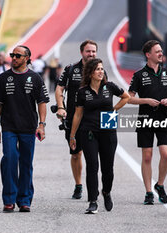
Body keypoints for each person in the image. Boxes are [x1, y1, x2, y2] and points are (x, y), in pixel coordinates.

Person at [0, 45, 50, 213]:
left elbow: (42, 103)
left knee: (26, 163)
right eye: (12, 55)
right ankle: (9, 199)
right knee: (9, 158)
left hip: (28, 127)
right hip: (9, 127)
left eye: (18, 55)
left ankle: (24, 200)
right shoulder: (3, 78)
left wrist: (41, 125)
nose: (14, 58)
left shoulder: (36, 78)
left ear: (27, 58)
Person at [69, 58, 130, 214]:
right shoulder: (82, 92)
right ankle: (93, 201)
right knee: (92, 166)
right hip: (88, 131)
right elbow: (77, 114)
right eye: (97, 69)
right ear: (90, 73)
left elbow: (126, 97)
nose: (101, 71)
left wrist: (114, 110)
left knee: (108, 168)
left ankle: (106, 192)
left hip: (108, 130)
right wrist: (72, 136)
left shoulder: (109, 87)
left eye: (102, 69)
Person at [128, 40, 167, 205]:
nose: (160, 53)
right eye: (157, 51)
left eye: (161, 51)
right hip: (145, 119)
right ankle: (148, 192)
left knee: (166, 154)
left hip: (164, 117)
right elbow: (129, 98)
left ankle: (160, 184)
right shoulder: (139, 75)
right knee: (147, 156)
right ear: (148, 55)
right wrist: (146, 101)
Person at [55, 39, 98, 199]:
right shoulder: (70, 69)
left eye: (93, 51)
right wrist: (61, 106)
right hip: (73, 120)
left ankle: (93, 189)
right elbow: (59, 88)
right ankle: (78, 185)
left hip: (93, 120)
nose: (91, 54)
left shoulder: (100, 71)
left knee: (92, 155)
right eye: (88, 51)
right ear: (82, 52)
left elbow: (107, 94)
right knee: (76, 154)